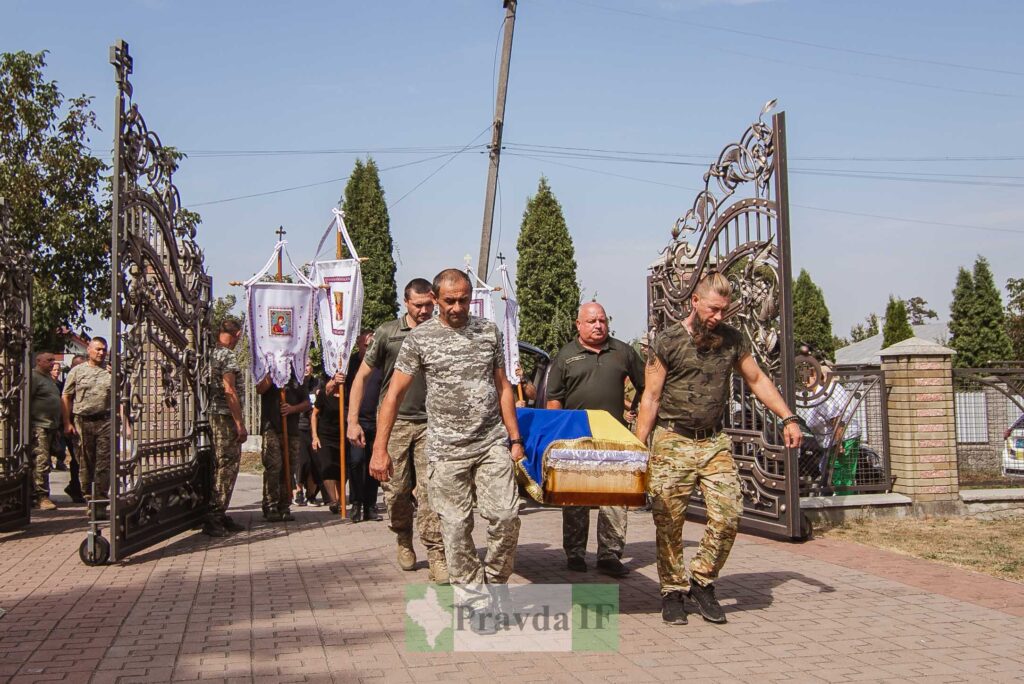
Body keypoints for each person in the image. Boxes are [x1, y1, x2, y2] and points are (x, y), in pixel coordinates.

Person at [635, 273, 802, 626]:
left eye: (724, 310)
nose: (718, 317)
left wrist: (788, 417)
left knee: (728, 515)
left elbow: (756, 380)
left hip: (714, 441)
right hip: (672, 439)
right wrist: (638, 449)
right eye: (713, 309)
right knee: (668, 521)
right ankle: (672, 590)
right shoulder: (667, 341)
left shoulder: (732, 340)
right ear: (694, 302)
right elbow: (650, 397)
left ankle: (702, 580)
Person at [371, 269, 523, 601]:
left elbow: (503, 387)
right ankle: (471, 593)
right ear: (437, 299)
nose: (457, 307)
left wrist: (515, 440)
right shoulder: (421, 338)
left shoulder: (488, 332)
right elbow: (393, 394)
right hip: (445, 449)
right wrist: (379, 448)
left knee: (506, 516)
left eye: (463, 300)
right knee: (454, 527)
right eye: (449, 301)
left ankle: (495, 581)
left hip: (489, 442)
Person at [348, 279, 447, 580]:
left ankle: (436, 553)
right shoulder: (387, 333)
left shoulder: (441, 332)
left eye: (429, 305)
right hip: (396, 423)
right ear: (406, 303)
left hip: (432, 422)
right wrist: (353, 421)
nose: (424, 311)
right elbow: (361, 378)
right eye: (418, 305)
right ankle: (403, 537)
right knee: (397, 491)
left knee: (432, 491)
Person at [545, 302, 645, 578]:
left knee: (614, 496)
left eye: (602, 320)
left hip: (614, 439)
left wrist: (635, 412)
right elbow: (554, 399)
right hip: (577, 439)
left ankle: (610, 554)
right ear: (578, 325)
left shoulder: (622, 351)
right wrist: (557, 437)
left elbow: (646, 386)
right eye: (591, 321)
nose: (598, 325)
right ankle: (575, 553)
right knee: (575, 496)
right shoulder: (566, 356)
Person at [204, 317, 248, 536]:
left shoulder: (212, 353)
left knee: (218, 464)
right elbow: (229, 389)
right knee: (227, 466)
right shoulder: (228, 355)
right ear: (238, 335)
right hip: (224, 417)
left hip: (214, 414)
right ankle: (215, 515)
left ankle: (218, 513)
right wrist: (239, 423)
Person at [62, 337, 112, 517]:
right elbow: (66, 396)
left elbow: (121, 397)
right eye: (98, 349)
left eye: (103, 349)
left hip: (105, 420)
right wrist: (67, 422)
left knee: (104, 464)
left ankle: (100, 504)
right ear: (89, 350)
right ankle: (89, 498)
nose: (101, 352)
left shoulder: (111, 372)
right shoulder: (77, 371)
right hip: (83, 421)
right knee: (85, 462)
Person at [256, 372, 310, 522]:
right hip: (271, 426)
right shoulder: (268, 371)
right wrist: (272, 373)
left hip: (291, 429)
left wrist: (292, 409)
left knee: (289, 467)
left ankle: (284, 504)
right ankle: (270, 503)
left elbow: (307, 403)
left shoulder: (297, 375)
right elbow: (260, 389)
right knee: (274, 466)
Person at [802, 362, 861, 491]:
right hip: (832, 441)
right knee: (834, 474)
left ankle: (845, 504)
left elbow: (835, 419)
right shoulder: (815, 395)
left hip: (842, 438)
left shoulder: (822, 395)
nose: (804, 379)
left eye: (809, 376)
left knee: (841, 477)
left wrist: (839, 442)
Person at [29, 352, 61, 510]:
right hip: (38, 425)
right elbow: (28, 399)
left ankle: (40, 494)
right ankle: (40, 497)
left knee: (46, 461)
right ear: (38, 361)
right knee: (41, 461)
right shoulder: (34, 377)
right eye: (49, 360)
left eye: (53, 360)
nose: (52, 363)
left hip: (51, 426)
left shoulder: (48, 378)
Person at [294, 360, 320, 507]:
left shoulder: (317, 383)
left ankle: (311, 494)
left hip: (315, 428)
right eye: (303, 364)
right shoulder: (296, 383)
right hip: (300, 425)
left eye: (309, 364)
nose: (306, 367)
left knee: (314, 463)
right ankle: (298, 491)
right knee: (302, 461)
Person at [62, 355, 87, 503]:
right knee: (78, 458)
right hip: (73, 425)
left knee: (80, 458)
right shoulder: (71, 380)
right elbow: (66, 400)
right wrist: (67, 423)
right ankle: (77, 488)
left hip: (83, 424)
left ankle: (75, 487)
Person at [49, 360, 68, 471]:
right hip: (50, 416)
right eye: (54, 370)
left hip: (60, 416)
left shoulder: (61, 385)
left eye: (58, 370)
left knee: (62, 441)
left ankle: (60, 462)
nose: (56, 372)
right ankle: (48, 462)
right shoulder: (48, 384)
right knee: (49, 440)